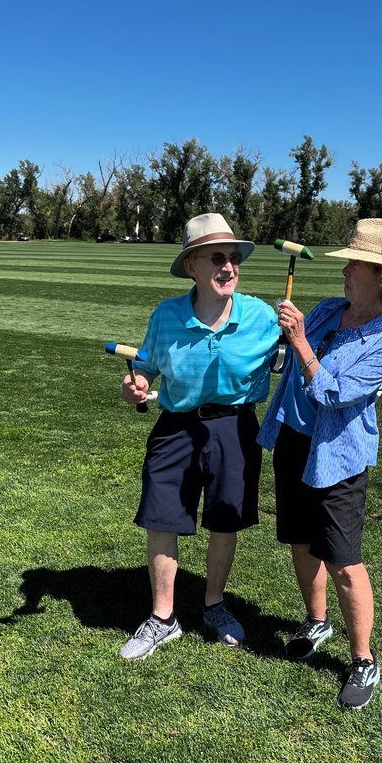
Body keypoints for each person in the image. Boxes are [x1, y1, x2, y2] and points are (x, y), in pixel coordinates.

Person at [258, 218, 382, 709]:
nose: (345, 271)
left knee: (344, 561)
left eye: (355, 264)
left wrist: (301, 343)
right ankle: (316, 622)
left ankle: (362, 659)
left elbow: (332, 393)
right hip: (294, 440)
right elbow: (286, 363)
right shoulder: (330, 309)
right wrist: (281, 339)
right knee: (300, 541)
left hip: (338, 460)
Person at [120, 213, 280, 660]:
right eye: (216, 259)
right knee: (161, 518)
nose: (228, 267)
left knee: (225, 520)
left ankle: (213, 605)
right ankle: (162, 618)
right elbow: (145, 369)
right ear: (192, 265)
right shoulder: (167, 314)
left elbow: (290, 358)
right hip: (176, 427)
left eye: (233, 258)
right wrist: (133, 387)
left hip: (235, 427)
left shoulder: (262, 316)